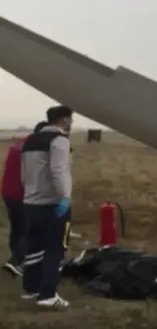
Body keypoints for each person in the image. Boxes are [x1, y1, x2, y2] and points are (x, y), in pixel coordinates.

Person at [19, 105, 74, 309]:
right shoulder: (59, 140)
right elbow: (59, 170)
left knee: (34, 247)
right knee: (55, 248)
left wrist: (29, 193)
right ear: (64, 120)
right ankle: (48, 294)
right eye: (70, 120)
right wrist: (65, 197)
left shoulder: (30, 141)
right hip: (53, 204)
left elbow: (24, 174)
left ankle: (31, 288)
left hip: (31, 202)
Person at [2, 121, 48, 277]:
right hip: (23, 194)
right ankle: (16, 261)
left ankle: (15, 261)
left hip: (8, 192)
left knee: (17, 227)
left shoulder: (19, 144)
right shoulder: (35, 148)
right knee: (32, 229)